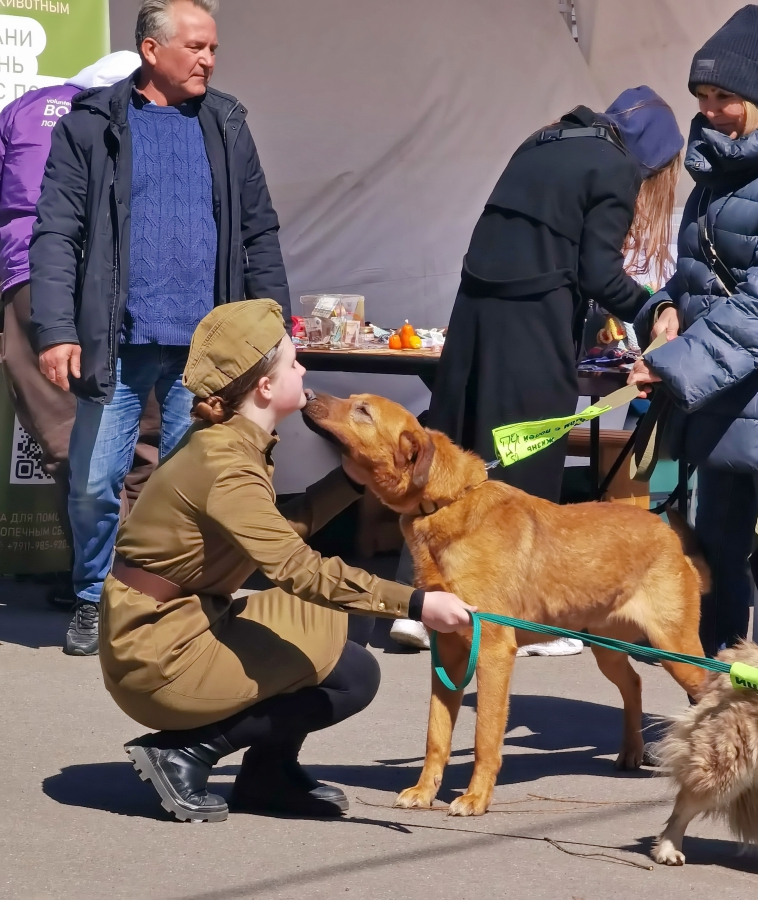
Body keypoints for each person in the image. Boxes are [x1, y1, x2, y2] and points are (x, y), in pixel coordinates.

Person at [99, 299, 474, 823]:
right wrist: (415, 602)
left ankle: (267, 774)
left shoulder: (231, 444)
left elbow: (277, 530)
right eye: (295, 363)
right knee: (352, 679)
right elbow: (296, 568)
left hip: (183, 622)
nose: (304, 371)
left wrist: (350, 481)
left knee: (340, 639)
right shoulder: (227, 463)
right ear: (265, 388)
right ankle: (185, 752)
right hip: (157, 655)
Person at [30, 0, 290, 657]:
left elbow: (258, 228)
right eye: (196, 47)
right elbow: (56, 233)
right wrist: (56, 329)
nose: (208, 59)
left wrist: (274, 326)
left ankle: (164, 603)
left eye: (212, 49)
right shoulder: (92, 127)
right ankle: (92, 598)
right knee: (95, 480)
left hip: (207, 348)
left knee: (185, 483)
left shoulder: (226, 124)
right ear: (152, 50)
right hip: (115, 339)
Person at [390, 85, 684, 651]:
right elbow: (598, 272)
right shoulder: (616, 167)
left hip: (474, 312)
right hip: (531, 321)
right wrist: (654, 308)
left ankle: (422, 606)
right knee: (526, 455)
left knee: (458, 454)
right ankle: (529, 622)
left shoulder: (544, 139)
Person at [629, 4, 758, 655]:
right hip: (718, 399)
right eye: (700, 96)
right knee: (713, 568)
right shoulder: (714, 168)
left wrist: (672, 365)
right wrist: (664, 309)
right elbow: (696, 275)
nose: (707, 109)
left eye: (723, 95)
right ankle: (717, 728)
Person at [0, 51, 140, 605]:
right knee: (143, 440)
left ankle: (100, 583)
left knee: (64, 437)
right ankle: (129, 587)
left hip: (29, 277)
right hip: (116, 280)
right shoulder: (143, 112)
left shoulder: (22, 111)